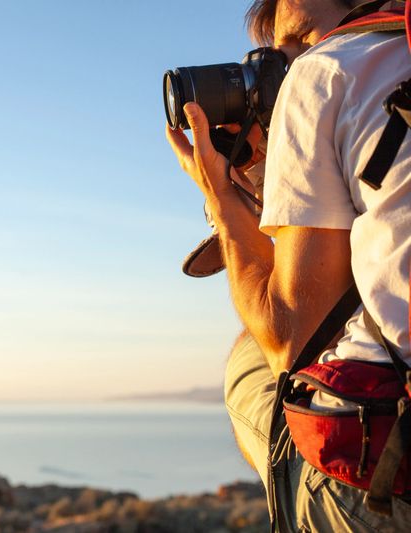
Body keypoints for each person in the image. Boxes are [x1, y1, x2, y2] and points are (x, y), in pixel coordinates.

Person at [166, 0, 411, 531]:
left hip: (388, 487)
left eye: (299, 41)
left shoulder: (326, 70)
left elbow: (289, 342)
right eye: (271, 58)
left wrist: (222, 196)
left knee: (252, 356)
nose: (285, 68)